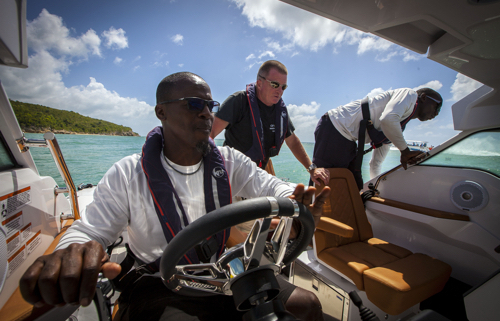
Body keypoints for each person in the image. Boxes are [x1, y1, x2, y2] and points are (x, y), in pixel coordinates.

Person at [19, 72, 331, 321]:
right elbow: (89, 231)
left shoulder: (231, 161)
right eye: (195, 104)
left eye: (212, 105)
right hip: (158, 282)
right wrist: (69, 251)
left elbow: (274, 188)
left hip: (224, 272)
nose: (207, 113)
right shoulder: (127, 173)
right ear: (161, 112)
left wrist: (297, 202)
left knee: (306, 305)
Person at [211, 60, 329, 186]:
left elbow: (293, 142)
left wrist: (312, 169)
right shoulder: (238, 101)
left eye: (283, 87)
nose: (280, 91)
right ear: (259, 83)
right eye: (275, 84)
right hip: (231, 175)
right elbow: (210, 134)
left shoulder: (280, 111)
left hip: (257, 176)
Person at [312, 88, 442, 190]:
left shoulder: (397, 128)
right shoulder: (410, 94)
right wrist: (405, 151)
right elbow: (388, 119)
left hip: (349, 138)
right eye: (437, 107)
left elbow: (376, 163)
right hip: (335, 125)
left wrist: (377, 187)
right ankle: (308, 221)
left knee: (351, 184)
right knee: (323, 182)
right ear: (424, 97)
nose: (437, 114)